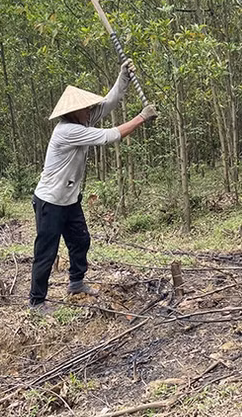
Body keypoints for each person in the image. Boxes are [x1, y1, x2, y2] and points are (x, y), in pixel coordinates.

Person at [30, 59, 157, 313]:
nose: (90, 110)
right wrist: (141, 118)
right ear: (74, 111)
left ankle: (76, 283)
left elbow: (109, 102)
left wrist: (123, 76)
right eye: (86, 108)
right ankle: (36, 301)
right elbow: (109, 135)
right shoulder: (67, 131)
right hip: (50, 201)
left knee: (81, 240)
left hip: (69, 199)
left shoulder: (83, 120)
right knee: (47, 250)